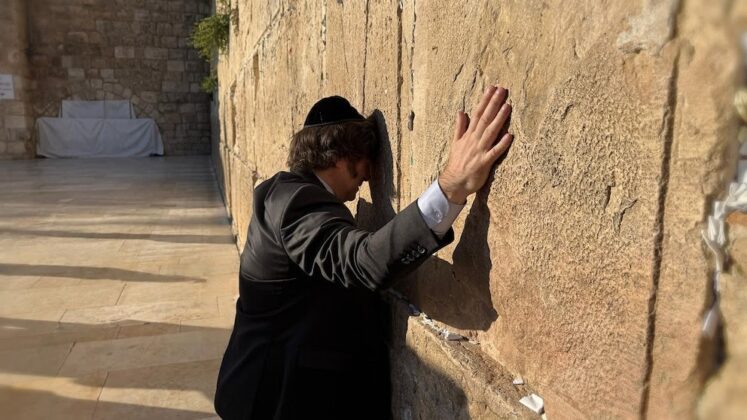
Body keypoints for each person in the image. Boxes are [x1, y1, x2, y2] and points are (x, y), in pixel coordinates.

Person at [214, 85, 513, 419]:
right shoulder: (293, 204)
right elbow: (363, 261)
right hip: (274, 401)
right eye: (367, 159)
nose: (370, 174)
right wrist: (451, 187)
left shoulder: (288, 195)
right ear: (340, 157)